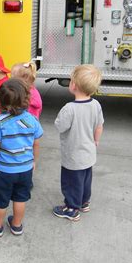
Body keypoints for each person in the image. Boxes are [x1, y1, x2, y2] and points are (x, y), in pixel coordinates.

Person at [0, 79, 43, 237]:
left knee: (0, 199)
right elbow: (36, 144)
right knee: (20, 198)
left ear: (0, 101)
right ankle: (16, 225)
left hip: (4, 170)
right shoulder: (32, 120)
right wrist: (33, 161)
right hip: (25, 168)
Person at [53, 64, 104, 222]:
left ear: (73, 85)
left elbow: (60, 127)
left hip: (73, 155)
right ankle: (84, 202)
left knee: (71, 182)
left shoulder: (69, 109)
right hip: (89, 152)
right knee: (85, 179)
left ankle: (72, 208)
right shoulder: (96, 104)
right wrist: (96, 140)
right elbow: (99, 125)